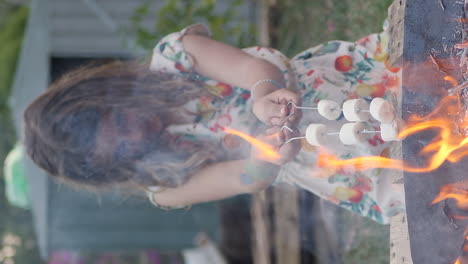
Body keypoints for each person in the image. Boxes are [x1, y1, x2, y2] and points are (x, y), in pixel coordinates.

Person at [23, 23, 404, 224]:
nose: (135, 133)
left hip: (344, 84)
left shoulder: (175, 60)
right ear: (115, 166)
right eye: (123, 147)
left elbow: (252, 68)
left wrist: (262, 95)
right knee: (423, 178)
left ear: (112, 90)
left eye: (121, 118)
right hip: (341, 166)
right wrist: (266, 158)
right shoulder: (165, 184)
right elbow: (244, 177)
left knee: (427, 81)